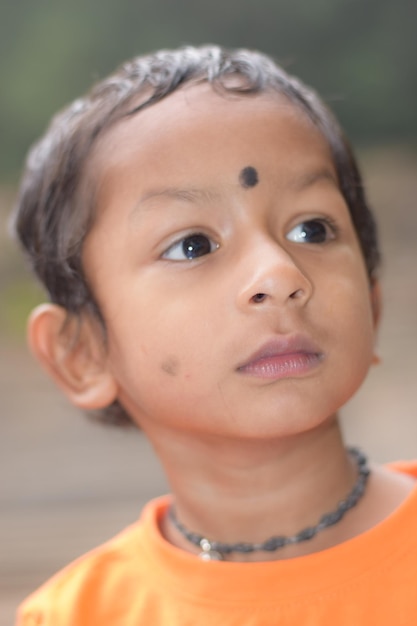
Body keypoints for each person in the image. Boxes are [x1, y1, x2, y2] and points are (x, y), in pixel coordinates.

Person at [13, 45, 417, 625]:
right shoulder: (76, 616)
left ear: (372, 302)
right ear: (82, 353)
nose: (279, 275)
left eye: (312, 228)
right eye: (192, 246)